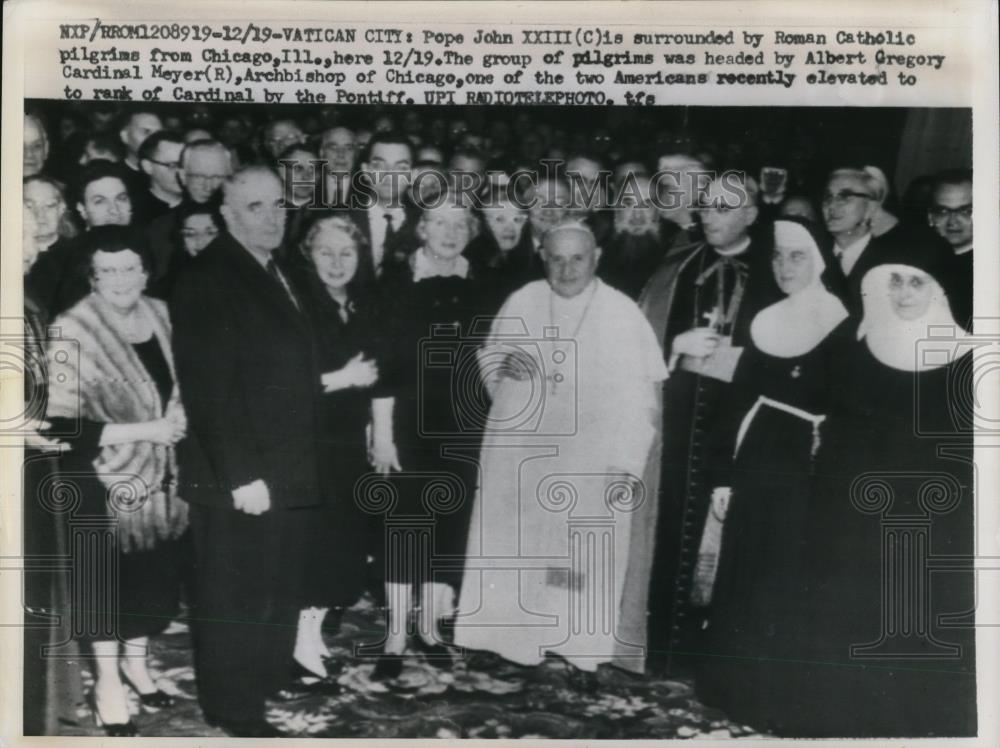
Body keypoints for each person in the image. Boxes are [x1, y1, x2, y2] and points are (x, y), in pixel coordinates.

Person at [454, 220, 668, 688]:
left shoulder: (621, 312)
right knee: (515, 547)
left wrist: (625, 466)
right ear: (542, 257)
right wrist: (500, 365)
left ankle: (575, 651)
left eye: (577, 258)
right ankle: (506, 640)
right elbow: (491, 362)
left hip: (590, 458)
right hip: (521, 453)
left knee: (575, 560)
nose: (566, 268)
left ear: (596, 259)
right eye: (556, 258)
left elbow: (642, 402)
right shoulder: (524, 300)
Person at [787, 240, 977, 737]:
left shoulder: (965, 355)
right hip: (850, 511)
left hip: (926, 518)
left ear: (938, 289)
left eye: (917, 282)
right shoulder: (858, 339)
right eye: (895, 280)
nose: (904, 292)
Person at [170, 166, 322, 737]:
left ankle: (264, 673)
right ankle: (231, 704)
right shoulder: (206, 277)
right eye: (255, 207)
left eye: (278, 204)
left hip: (285, 461)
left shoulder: (277, 268)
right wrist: (243, 476)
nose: (272, 216)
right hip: (240, 470)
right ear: (227, 215)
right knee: (232, 587)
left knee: (276, 577)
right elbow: (210, 389)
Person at [693, 218, 852, 731]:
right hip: (757, 452)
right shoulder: (764, 318)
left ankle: (779, 695)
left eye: (797, 257)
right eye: (778, 257)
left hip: (807, 458)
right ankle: (732, 687)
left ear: (819, 260)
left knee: (789, 573)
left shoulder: (841, 320)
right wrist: (723, 476)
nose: (785, 267)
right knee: (747, 564)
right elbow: (736, 400)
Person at [45, 226, 189, 737]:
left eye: (131, 267)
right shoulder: (71, 329)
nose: (122, 278)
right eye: (108, 270)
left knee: (152, 581)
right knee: (104, 587)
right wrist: (145, 430)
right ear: (91, 276)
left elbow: (182, 386)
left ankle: (137, 665)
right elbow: (57, 424)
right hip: (97, 480)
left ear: (146, 270)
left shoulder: (164, 314)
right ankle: (108, 683)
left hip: (161, 481)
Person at [639, 174, 773, 676]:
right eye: (705, 205)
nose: (709, 215)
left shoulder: (774, 267)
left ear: (752, 215)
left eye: (723, 206)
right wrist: (675, 346)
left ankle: (710, 653)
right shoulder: (680, 263)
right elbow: (644, 331)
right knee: (670, 526)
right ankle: (656, 646)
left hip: (737, 415)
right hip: (678, 413)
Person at [366, 193, 486, 679]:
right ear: (422, 228)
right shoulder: (393, 283)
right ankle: (396, 633)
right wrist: (382, 432)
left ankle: (432, 630)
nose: (450, 232)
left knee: (448, 525)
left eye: (460, 223)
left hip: (463, 422)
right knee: (405, 524)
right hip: (406, 421)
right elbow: (381, 366)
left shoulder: (482, 283)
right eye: (440, 222)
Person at [288, 215, 380, 684]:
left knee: (341, 548)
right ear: (308, 254)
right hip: (310, 441)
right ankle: (300, 649)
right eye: (326, 252)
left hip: (348, 444)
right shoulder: (298, 304)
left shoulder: (361, 303)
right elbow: (282, 383)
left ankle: (312, 640)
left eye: (347, 252)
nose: (337, 262)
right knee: (315, 550)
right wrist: (343, 379)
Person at [22, 207, 82, 735]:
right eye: (22, 233)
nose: (37, 244)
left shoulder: (31, 298)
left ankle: (39, 714)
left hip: (34, 462)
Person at [350, 131, 420, 276]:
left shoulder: (423, 223)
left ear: (413, 175)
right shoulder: (342, 218)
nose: (389, 174)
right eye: (379, 165)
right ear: (366, 170)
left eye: (400, 168)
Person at [465, 180, 540, 312]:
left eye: (517, 220)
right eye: (499, 219)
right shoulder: (467, 266)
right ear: (483, 224)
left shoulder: (535, 266)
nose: (509, 228)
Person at [599, 174, 666, 299]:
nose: (637, 217)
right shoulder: (595, 256)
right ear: (616, 207)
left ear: (659, 210)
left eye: (647, 205)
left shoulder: (674, 258)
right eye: (629, 204)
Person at [927, 169, 973, 330]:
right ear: (931, 217)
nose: (953, 221)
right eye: (943, 211)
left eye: (966, 211)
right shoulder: (916, 258)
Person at [137, 131, 185, 220]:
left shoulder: (202, 206)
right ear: (148, 167)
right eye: (173, 165)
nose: (182, 172)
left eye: (185, 165)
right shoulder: (137, 212)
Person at [319, 126, 358, 208]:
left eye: (348, 148)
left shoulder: (369, 190)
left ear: (356, 154)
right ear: (322, 153)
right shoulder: (309, 187)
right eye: (333, 148)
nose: (341, 154)